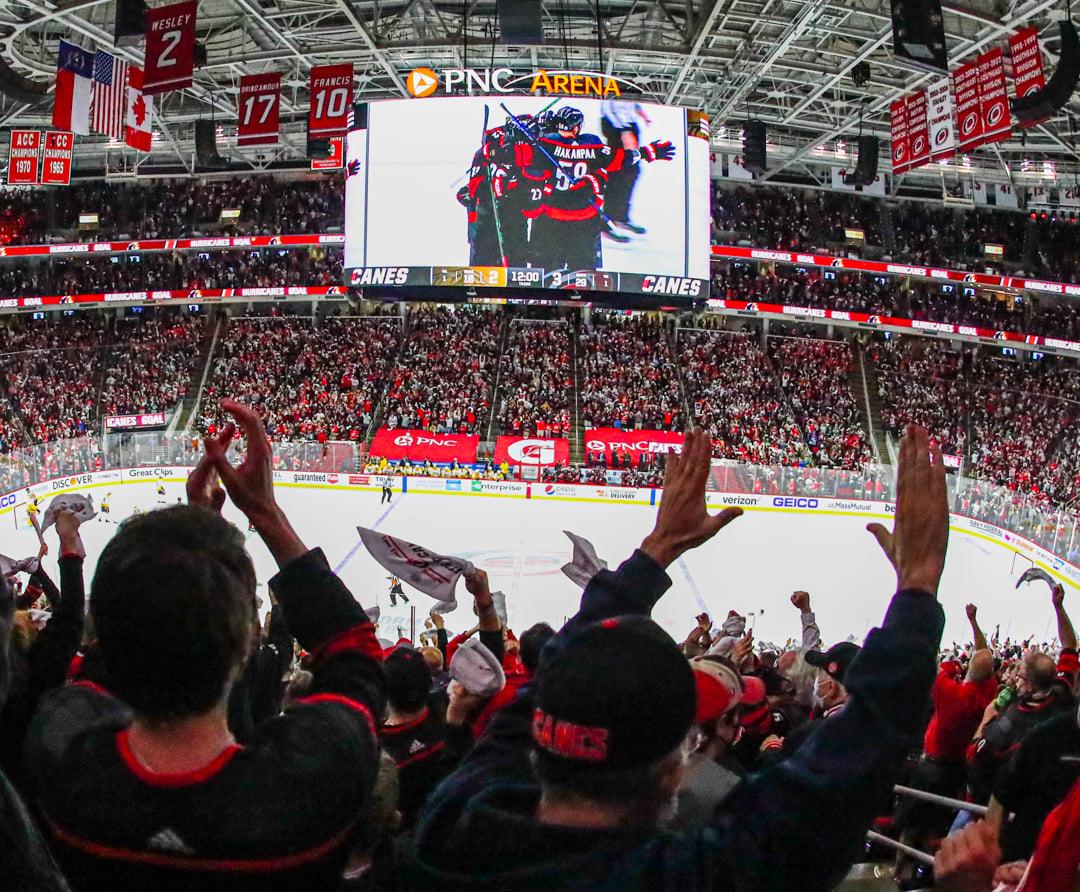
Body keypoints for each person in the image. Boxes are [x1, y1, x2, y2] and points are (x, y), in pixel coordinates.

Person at [397, 425, 948, 890]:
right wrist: (918, 584)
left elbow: (562, 671)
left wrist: (656, 549)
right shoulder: (680, 876)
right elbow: (850, 762)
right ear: (674, 770)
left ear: (540, 745)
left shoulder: (450, 822)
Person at [26, 399, 387, 889]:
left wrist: (194, 540)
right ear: (245, 647)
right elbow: (356, 651)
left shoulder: (59, 750)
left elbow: (116, 636)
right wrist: (264, 511)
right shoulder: (308, 786)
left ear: (104, 633)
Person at [895, 602, 996, 879]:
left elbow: (929, 660)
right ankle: (925, 868)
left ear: (967, 671)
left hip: (932, 769)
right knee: (937, 823)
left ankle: (900, 868)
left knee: (911, 820)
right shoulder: (988, 692)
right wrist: (974, 623)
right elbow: (983, 654)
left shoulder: (952, 694)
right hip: (956, 770)